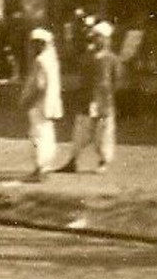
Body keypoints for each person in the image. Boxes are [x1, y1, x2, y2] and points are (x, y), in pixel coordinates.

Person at [60, 21, 121, 174]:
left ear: (106, 39)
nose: (95, 40)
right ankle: (73, 161)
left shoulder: (112, 59)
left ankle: (103, 161)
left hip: (104, 101)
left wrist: (106, 94)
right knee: (80, 132)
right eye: (94, 37)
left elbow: (116, 80)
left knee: (103, 133)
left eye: (99, 37)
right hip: (87, 99)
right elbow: (83, 77)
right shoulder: (88, 57)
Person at [20, 27, 63, 181]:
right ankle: (45, 167)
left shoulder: (41, 60)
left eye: (36, 43)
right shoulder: (52, 59)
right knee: (46, 134)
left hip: (39, 103)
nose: (33, 47)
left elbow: (39, 85)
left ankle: (40, 168)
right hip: (49, 103)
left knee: (38, 135)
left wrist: (27, 100)